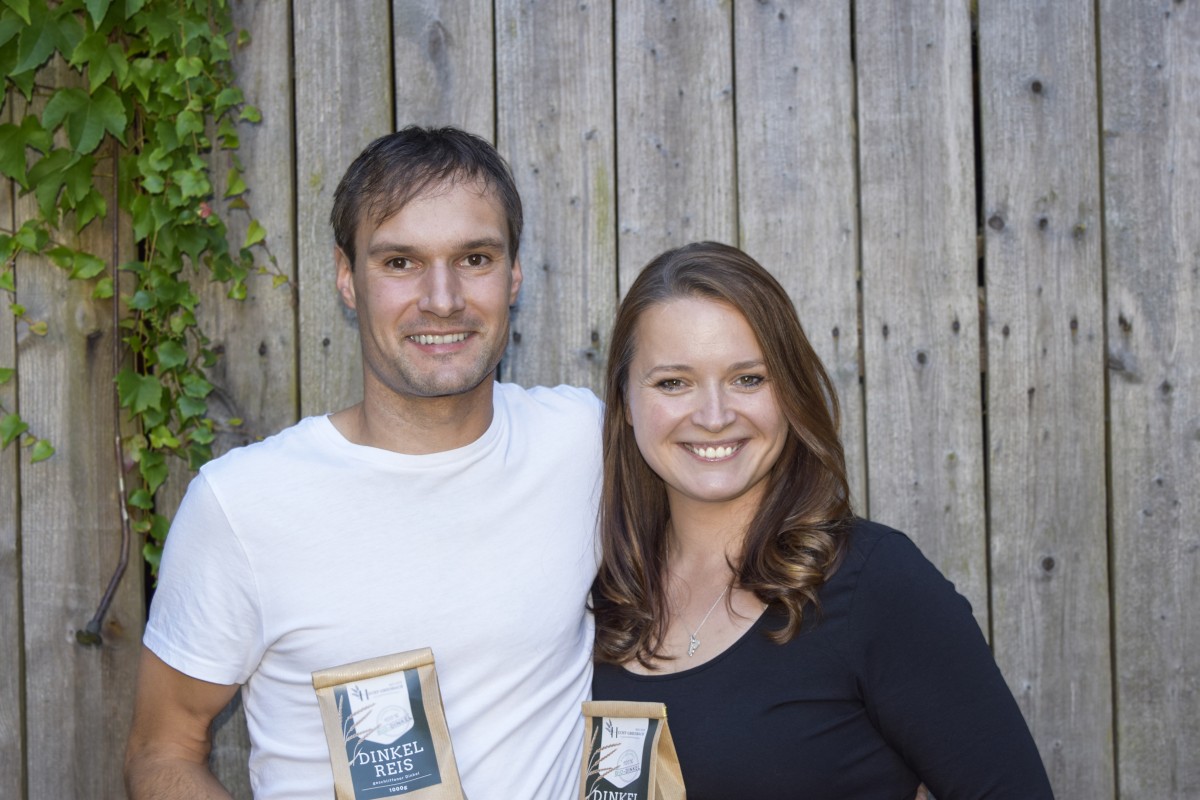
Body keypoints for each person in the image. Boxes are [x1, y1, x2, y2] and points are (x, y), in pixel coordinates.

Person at [124, 126, 603, 800]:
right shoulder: (243, 505)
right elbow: (160, 751)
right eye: (400, 262)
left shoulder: (582, 442)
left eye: (474, 258)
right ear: (348, 278)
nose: (442, 298)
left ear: (514, 275)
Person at [589, 241, 1055, 799]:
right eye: (673, 383)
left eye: (748, 379)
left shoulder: (874, 584)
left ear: (790, 391)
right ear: (624, 400)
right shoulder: (594, 594)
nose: (713, 416)